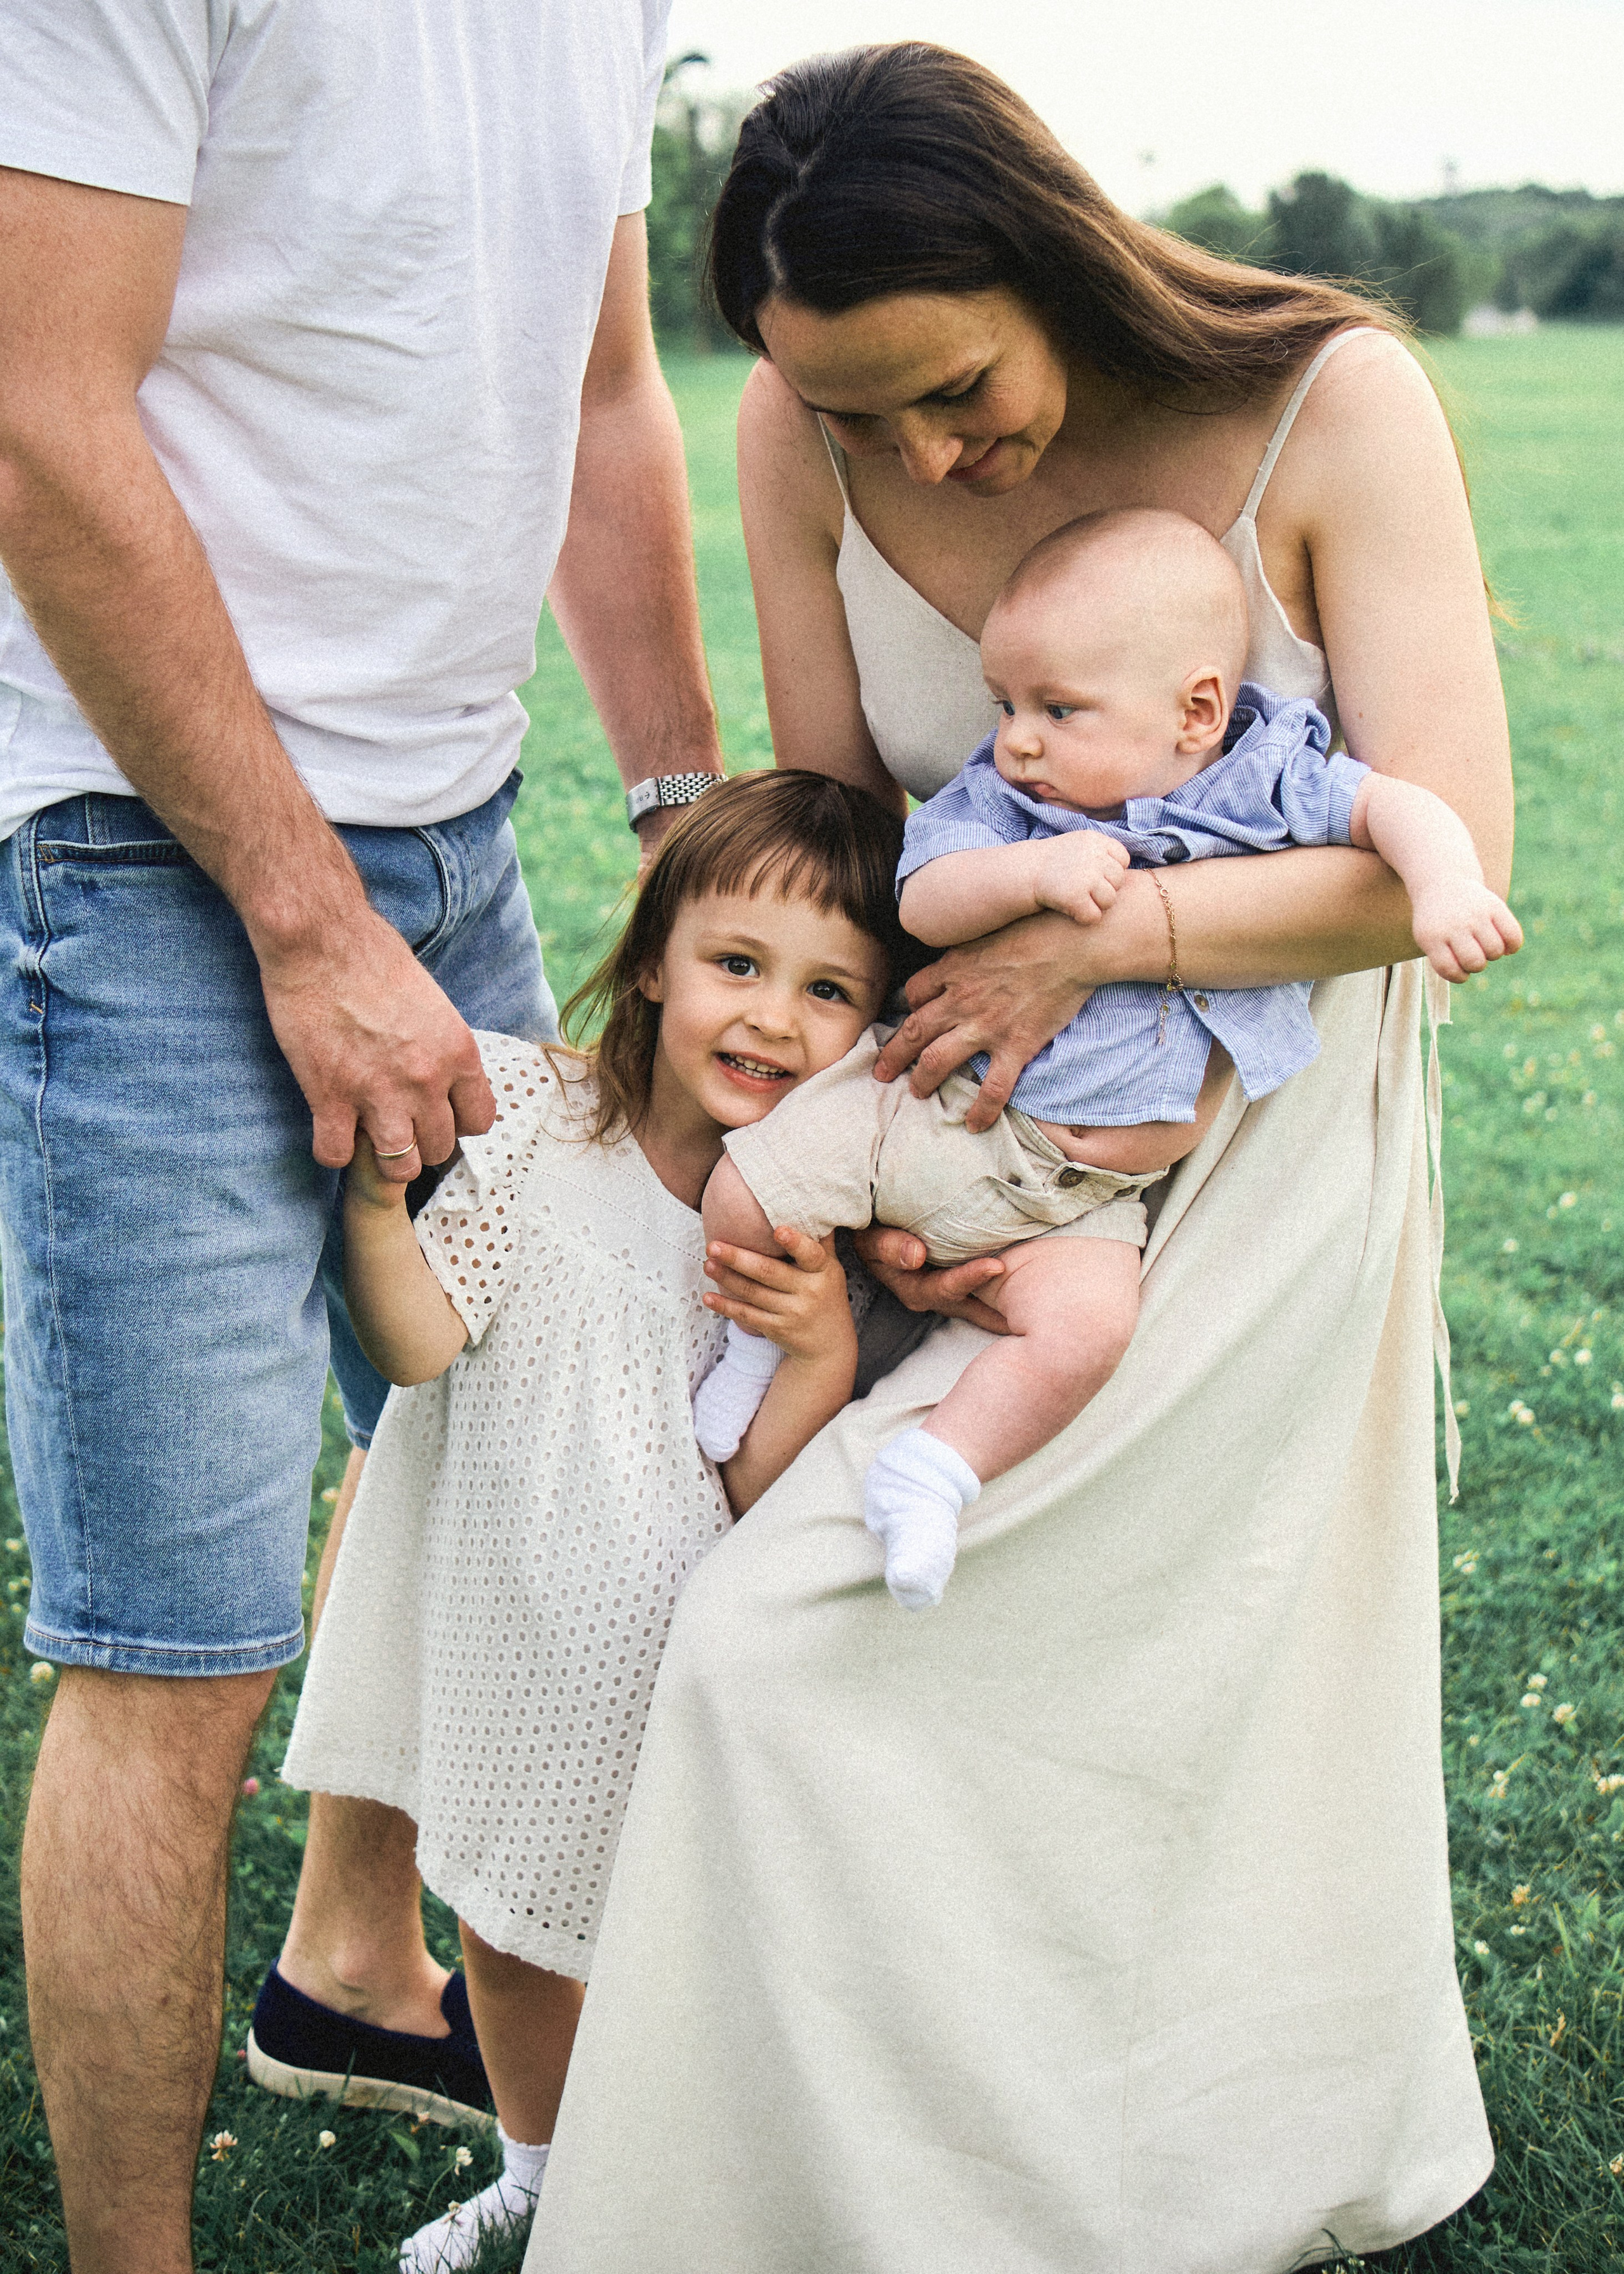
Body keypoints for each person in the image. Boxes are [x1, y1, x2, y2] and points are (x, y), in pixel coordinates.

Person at [525, 42, 1510, 2274]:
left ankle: (1166, 2150)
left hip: (1248, 1150)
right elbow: (843, 822)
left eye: (947, 393)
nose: (910, 457)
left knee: (1003, 1666)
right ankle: (871, 2183)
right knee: (838, 1662)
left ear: (1046, 255)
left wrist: (1106, 938)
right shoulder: (803, 427)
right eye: (853, 416)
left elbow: (1444, 860)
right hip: (948, 1133)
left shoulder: (1332, 404)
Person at [0, 4, 723, 2266]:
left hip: (458, 837)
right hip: (146, 852)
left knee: (543, 1484)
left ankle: (352, 1950)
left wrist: (694, 827)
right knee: (177, 1648)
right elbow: (33, 416)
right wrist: (304, 922)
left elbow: (603, 394)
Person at [277, 772, 915, 2270]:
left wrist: (820, 1347)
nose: (772, 1017)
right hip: (522, 1632)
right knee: (505, 1929)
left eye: (830, 990)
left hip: (687, 1664)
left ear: (876, 1028)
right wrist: (379, 1218)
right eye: (737, 965)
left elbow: (758, 1493)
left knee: (679, 1943)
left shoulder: (821, 1227)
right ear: (651, 961)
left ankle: (678, 2184)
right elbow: (420, 1348)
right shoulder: (544, 1131)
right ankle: (535, 2169)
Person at [694, 508, 1520, 1607]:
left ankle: (937, 1472)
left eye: (1056, 709)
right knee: (749, 1190)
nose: (1017, 738)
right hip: (932, 1112)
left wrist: (1447, 885)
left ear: (1196, 711)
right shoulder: (1004, 805)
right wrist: (1035, 880)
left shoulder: (1266, 779)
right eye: (1006, 705)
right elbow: (925, 900)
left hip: (1086, 1199)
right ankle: (752, 1352)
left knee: (1085, 1335)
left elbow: (1399, 806)